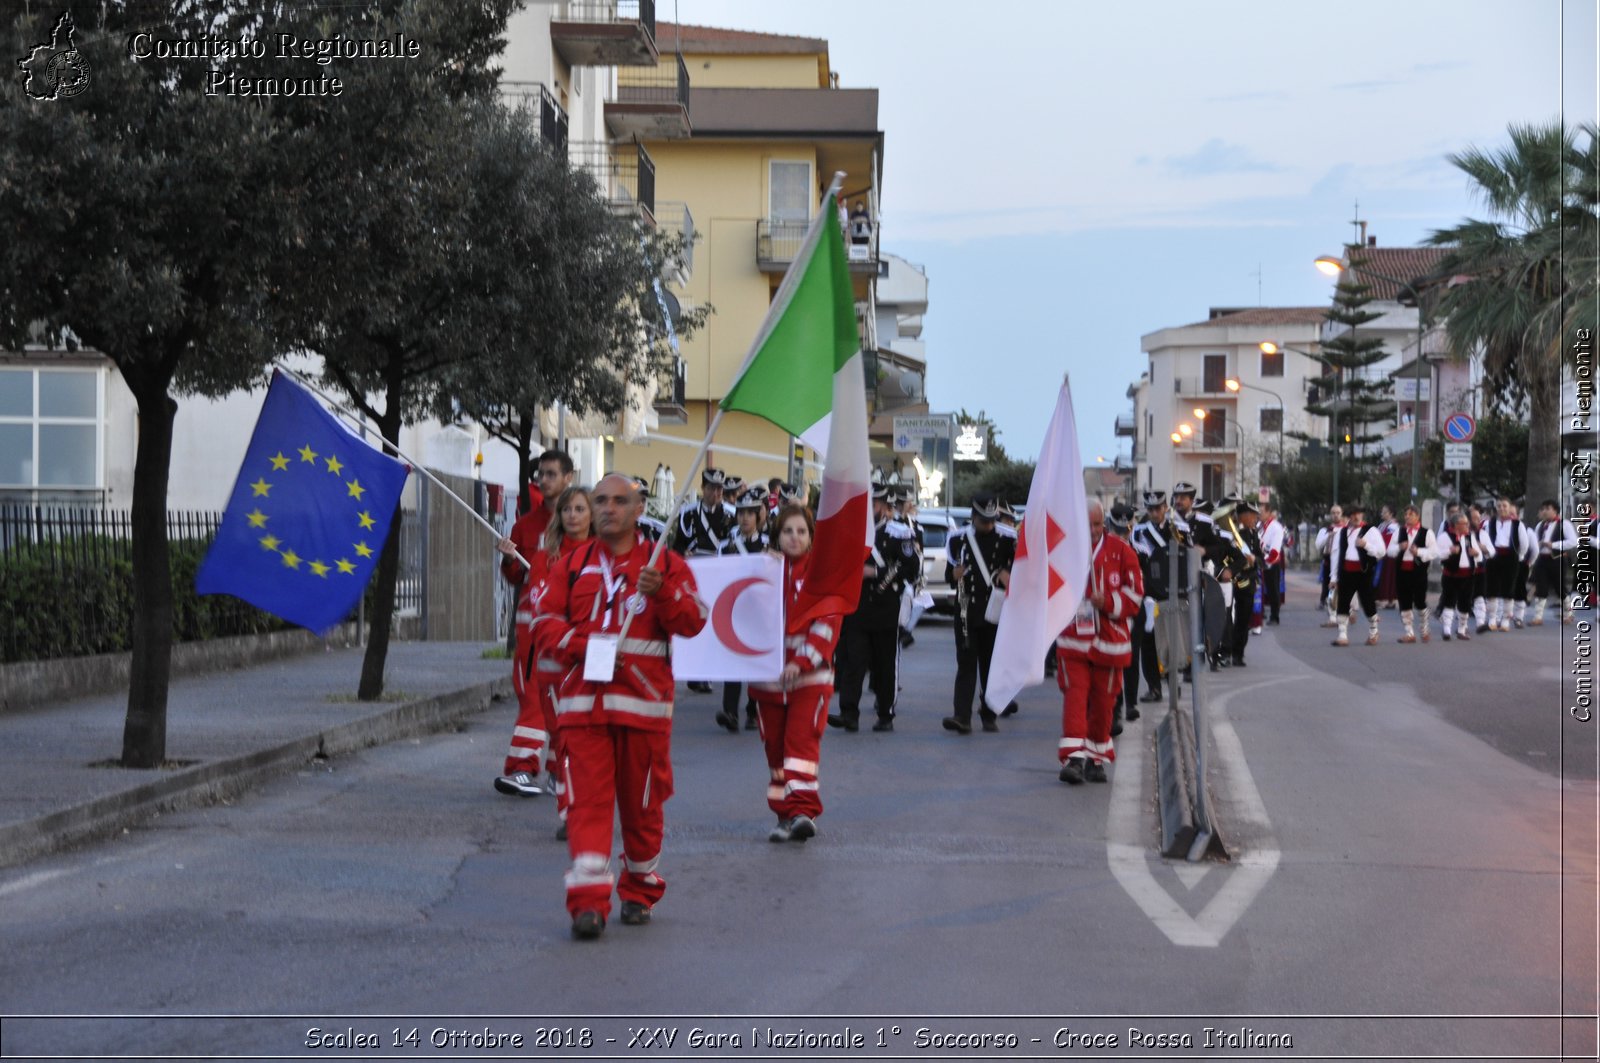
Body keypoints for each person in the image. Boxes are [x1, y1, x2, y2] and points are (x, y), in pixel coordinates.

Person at [531, 473, 708, 940]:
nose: (608, 508)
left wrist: (663, 592)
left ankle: (640, 887)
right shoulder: (570, 566)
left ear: (638, 509)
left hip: (644, 709)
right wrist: (583, 643)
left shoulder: (664, 563)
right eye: (600, 501)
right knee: (586, 804)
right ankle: (587, 904)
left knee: (642, 807)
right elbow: (544, 623)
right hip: (583, 709)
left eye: (618, 501)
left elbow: (694, 621)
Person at [494, 487, 594, 830]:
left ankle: (570, 800)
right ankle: (559, 793)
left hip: (587, 658)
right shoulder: (544, 558)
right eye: (567, 509)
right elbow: (538, 599)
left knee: (579, 731)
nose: (572, 515)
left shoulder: (602, 556)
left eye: (580, 509)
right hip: (550, 655)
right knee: (554, 723)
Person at [747, 504, 842, 843]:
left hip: (809, 679)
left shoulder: (821, 575)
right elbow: (741, 618)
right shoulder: (760, 572)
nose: (794, 537)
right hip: (766, 681)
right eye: (788, 531)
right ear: (777, 535)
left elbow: (827, 624)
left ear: (811, 536)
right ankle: (784, 816)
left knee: (800, 744)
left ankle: (802, 810)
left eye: (801, 531)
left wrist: (799, 663)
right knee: (775, 750)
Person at [1056, 501, 1143, 785]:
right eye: (1087, 524)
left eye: (1096, 524)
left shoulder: (1123, 552)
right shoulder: (1065, 551)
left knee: (1104, 705)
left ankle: (1095, 759)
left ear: (1103, 523)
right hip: (1074, 641)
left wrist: (1108, 602)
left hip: (1110, 644)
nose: (1092, 530)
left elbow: (1136, 597)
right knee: (1076, 698)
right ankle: (1075, 759)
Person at [828, 484, 918, 733]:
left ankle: (885, 714)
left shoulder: (899, 533)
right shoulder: (851, 533)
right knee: (853, 662)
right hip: (857, 608)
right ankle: (849, 713)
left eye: (874, 504)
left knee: (884, 665)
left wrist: (876, 572)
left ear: (885, 507)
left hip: (886, 609)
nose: (869, 509)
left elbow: (911, 568)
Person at [941, 493, 1015, 735]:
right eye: (985, 521)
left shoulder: (1007, 540)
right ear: (973, 517)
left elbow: (1022, 569)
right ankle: (962, 716)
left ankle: (989, 713)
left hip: (993, 610)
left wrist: (1007, 575)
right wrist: (954, 575)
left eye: (992, 520)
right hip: (965, 610)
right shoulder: (958, 539)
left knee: (990, 665)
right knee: (966, 663)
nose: (990, 525)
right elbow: (948, 575)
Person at [716, 487, 770, 733]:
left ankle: (753, 710)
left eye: (750, 513)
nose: (745, 518)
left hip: (760, 614)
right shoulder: (726, 546)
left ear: (758, 516)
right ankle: (730, 712)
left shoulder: (769, 545)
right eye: (741, 513)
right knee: (732, 663)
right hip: (735, 612)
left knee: (756, 665)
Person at [673, 468, 733, 693]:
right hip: (696, 573)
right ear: (703, 489)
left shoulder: (730, 513)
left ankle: (708, 671)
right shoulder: (688, 513)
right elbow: (678, 544)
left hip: (719, 574)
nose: (716, 493)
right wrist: (684, 555)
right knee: (695, 619)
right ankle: (695, 672)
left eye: (719, 489)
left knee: (715, 623)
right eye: (711, 489)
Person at [1128, 490, 1180, 709]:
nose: (1154, 512)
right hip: (1147, 592)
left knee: (1170, 641)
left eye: (1158, 508)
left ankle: (1171, 681)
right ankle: (1154, 687)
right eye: (1150, 509)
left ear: (1165, 508)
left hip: (1170, 591)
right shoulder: (1138, 532)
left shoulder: (1176, 529)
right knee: (1148, 642)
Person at [499, 450, 576, 590]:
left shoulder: (583, 523)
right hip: (532, 607)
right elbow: (515, 577)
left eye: (551, 474)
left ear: (568, 477)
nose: (543, 480)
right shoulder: (523, 526)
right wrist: (509, 560)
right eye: (540, 474)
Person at [1327, 502, 1386, 647]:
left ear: (1362, 515)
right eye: (1352, 514)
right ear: (1348, 517)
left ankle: (1373, 631)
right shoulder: (1342, 532)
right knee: (1343, 602)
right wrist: (1333, 577)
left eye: (1358, 513)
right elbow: (1336, 555)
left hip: (1363, 572)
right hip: (1346, 571)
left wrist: (1366, 545)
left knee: (1367, 602)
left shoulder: (1371, 531)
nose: (1356, 517)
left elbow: (1381, 551)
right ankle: (1342, 635)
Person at [1219, 501, 1261, 667]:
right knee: (1227, 617)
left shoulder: (1253, 534)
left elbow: (1259, 557)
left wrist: (1254, 560)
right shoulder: (1233, 534)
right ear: (1243, 516)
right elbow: (1225, 556)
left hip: (1248, 581)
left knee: (1244, 618)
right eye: (1252, 515)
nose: (1255, 518)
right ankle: (1225, 651)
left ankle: (1238, 653)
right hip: (1233, 579)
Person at [1387, 504, 1437, 643]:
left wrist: (1419, 552)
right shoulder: (1399, 531)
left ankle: (1424, 628)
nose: (1407, 517)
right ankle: (1409, 633)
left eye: (1410, 514)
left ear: (1417, 516)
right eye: (1406, 515)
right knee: (1404, 601)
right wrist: (1399, 547)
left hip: (1419, 572)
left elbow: (1434, 552)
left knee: (1420, 601)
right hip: (1402, 571)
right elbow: (1389, 551)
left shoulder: (1427, 532)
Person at [1482, 496, 1530, 632]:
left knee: (1508, 590)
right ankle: (1492, 619)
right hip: (1493, 557)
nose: (1501, 508)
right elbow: (1485, 540)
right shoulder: (1489, 523)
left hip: (1511, 558)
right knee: (1492, 589)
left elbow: (1524, 543)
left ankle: (1505, 620)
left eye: (1504, 506)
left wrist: (1518, 556)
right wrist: (1487, 554)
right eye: (1499, 506)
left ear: (1510, 508)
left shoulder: (1517, 524)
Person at [1531, 499, 1579, 625]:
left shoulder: (1565, 524)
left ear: (1555, 510)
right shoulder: (1540, 525)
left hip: (1557, 559)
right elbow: (1535, 542)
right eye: (1543, 509)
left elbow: (1573, 541)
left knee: (1560, 588)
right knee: (1541, 587)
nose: (1544, 512)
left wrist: (1554, 544)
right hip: (1542, 559)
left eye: (1548, 509)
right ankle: (1538, 617)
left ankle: (1568, 614)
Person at [1437, 513, 1483, 641]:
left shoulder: (1469, 537)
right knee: (1449, 601)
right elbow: (1437, 554)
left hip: (1468, 575)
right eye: (1465, 524)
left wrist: (1476, 553)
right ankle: (1446, 629)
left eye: (1467, 523)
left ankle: (1461, 629)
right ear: (1456, 525)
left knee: (1465, 602)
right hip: (1451, 575)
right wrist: (1449, 551)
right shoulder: (1445, 537)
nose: (1467, 526)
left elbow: (1479, 556)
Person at [1315, 505, 1346, 627]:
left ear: (1342, 514)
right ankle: (1332, 616)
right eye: (1333, 513)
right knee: (1330, 590)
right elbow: (1318, 545)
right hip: (1329, 563)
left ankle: (1345, 614)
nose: (1336, 515)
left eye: (1338, 512)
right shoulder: (1325, 530)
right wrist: (1329, 535)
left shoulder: (1346, 529)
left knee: (1344, 590)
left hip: (1344, 563)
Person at [1259, 501, 1286, 625]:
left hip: (1272, 563)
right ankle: (1263, 612)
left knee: (1273, 589)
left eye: (1262, 512)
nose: (1259, 514)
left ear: (1269, 513)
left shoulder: (1276, 527)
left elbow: (1275, 549)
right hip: (1263, 561)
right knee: (1267, 589)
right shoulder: (1261, 525)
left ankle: (1275, 616)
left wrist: (1267, 560)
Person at [1375, 505, 1400, 609]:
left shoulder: (1393, 526)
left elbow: (1387, 540)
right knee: (1382, 577)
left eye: (1385, 512)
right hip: (1381, 554)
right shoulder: (1382, 525)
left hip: (1389, 555)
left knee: (1388, 577)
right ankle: (1384, 598)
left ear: (1391, 514)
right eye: (1382, 511)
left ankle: (1389, 599)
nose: (1382, 513)